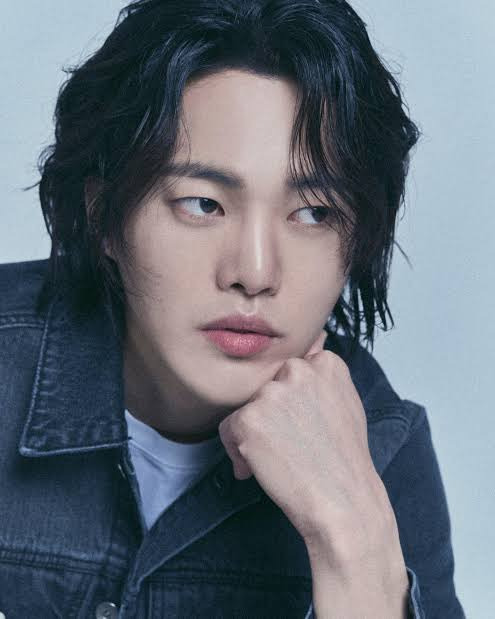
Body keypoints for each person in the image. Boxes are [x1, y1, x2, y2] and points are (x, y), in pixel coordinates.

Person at [0, 0, 466, 617]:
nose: (255, 273)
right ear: (103, 216)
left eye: (313, 213)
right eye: (203, 205)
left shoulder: (385, 451)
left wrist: (351, 538)